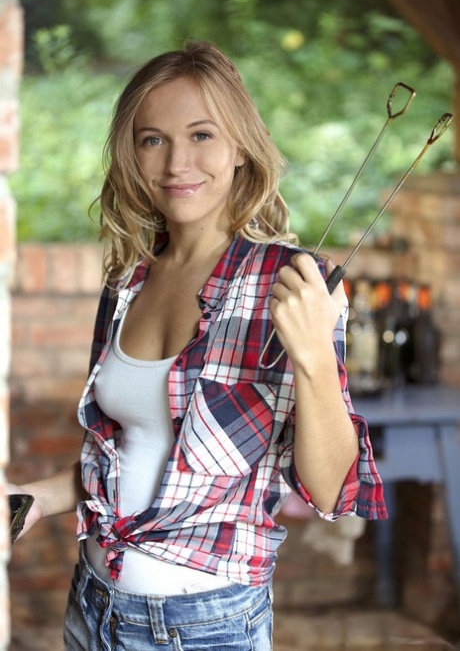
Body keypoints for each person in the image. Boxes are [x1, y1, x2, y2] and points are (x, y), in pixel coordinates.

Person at [9, 40, 387, 650]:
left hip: (202, 627)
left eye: (202, 135)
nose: (176, 163)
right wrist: (33, 500)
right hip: (92, 607)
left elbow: (330, 490)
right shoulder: (129, 280)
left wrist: (315, 355)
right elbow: (125, 457)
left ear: (241, 147)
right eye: (152, 139)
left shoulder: (291, 282)